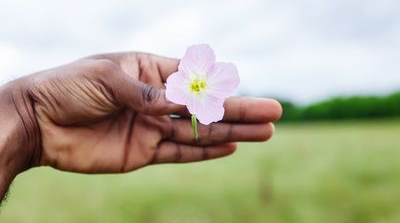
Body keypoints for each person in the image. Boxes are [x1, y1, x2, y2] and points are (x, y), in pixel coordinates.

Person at [0, 52, 282, 202]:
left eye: (198, 84)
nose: (197, 85)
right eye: (196, 83)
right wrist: (29, 113)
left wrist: (29, 118)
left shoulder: (207, 96)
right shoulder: (179, 85)